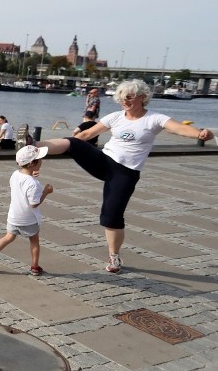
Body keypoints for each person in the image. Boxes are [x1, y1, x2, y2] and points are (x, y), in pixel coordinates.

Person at [37, 79, 214, 273]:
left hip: (125, 172)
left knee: (111, 216)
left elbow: (179, 128)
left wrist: (199, 133)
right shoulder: (115, 117)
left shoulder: (154, 118)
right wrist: (69, 146)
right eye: (121, 97)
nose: (124, 101)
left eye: (129, 97)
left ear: (142, 97)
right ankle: (33, 146)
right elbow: (86, 136)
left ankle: (114, 257)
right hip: (104, 161)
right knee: (73, 142)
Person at [0, 145, 54, 276]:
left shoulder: (15, 174)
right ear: (33, 163)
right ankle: (35, 266)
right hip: (28, 219)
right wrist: (46, 192)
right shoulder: (34, 184)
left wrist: (32, 175)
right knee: (34, 241)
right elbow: (34, 204)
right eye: (39, 159)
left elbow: (22, 184)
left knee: (8, 237)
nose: (42, 161)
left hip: (14, 216)